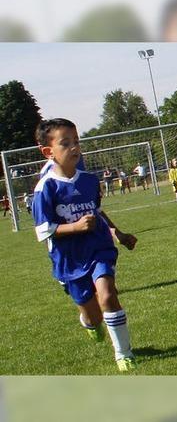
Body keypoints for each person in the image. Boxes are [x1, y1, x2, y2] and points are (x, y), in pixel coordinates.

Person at [31, 118, 137, 371]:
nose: (74, 148)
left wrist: (118, 234)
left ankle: (124, 354)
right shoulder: (45, 188)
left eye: (76, 141)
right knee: (93, 314)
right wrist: (75, 227)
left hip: (98, 248)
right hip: (69, 258)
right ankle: (90, 323)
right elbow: (43, 230)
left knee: (108, 295)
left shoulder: (89, 180)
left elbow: (97, 212)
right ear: (49, 152)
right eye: (65, 143)